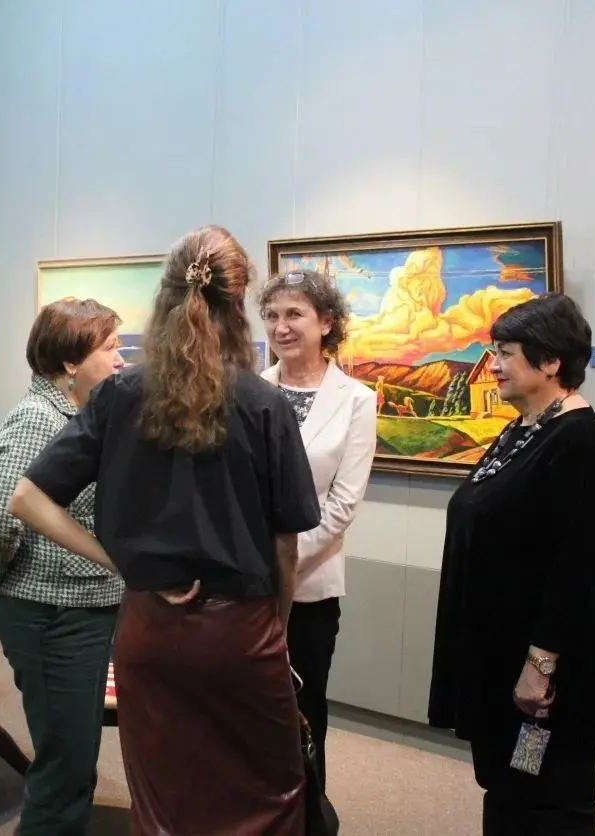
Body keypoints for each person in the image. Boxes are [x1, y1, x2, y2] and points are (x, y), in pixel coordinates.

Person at [6, 224, 322, 835]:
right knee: (264, 798)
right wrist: (276, 628)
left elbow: (27, 498)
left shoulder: (117, 396)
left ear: (166, 296)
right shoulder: (264, 404)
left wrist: (120, 562)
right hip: (240, 633)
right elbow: (285, 549)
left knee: (164, 802)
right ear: (238, 303)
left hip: (148, 628)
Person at [427, 293, 595, 836]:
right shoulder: (524, 427)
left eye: (506, 353)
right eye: (495, 351)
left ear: (550, 362)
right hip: (501, 658)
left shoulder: (580, 439)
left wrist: (539, 669)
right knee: (512, 790)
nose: (493, 365)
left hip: (543, 680)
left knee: (551, 800)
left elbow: (578, 567)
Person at [0, 298, 125, 836]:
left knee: (73, 764)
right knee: (65, 770)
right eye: (111, 348)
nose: (121, 360)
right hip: (53, 615)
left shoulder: (74, 415)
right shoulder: (38, 418)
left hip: (76, 612)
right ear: (70, 362)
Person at [258, 268, 376, 791]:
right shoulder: (247, 389)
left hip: (308, 588)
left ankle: (307, 815)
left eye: (294, 314)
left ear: (326, 322)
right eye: (271, 315)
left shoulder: (357, 400)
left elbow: (342, 505)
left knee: (301, 710)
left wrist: (279, 562)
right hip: (241, 583)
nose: (280, 327)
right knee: (245, 710)